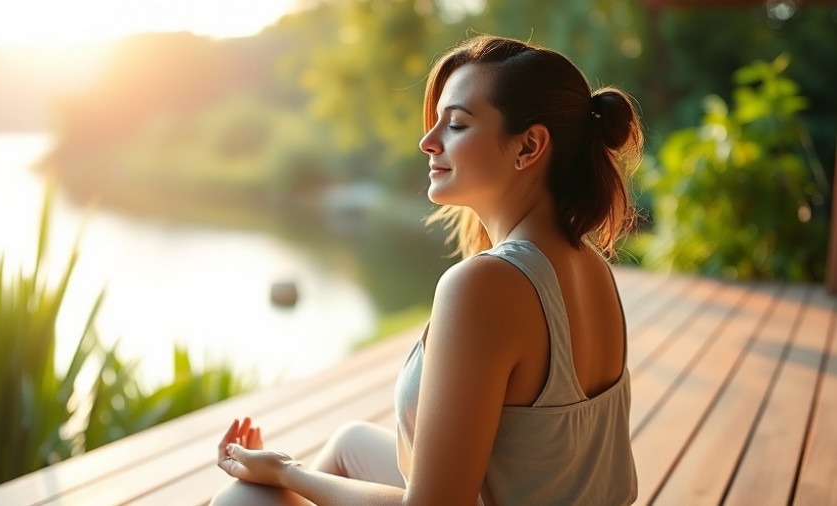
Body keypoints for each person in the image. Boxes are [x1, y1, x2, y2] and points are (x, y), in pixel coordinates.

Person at [211, 34, 643, 505]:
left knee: (242, 499)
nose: (427, 141)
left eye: (456, 125)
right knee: (350, 443)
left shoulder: (486, 284)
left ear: (529, 146)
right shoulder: (590, 265)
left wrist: (285, 473)